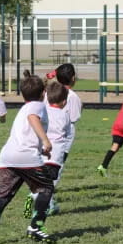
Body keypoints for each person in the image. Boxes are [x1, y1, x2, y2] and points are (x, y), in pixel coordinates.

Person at [0, 71, 55, 244]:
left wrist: (42, 148)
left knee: (3, 196)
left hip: (8, 157)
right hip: (25, 156)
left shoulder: (24, 107)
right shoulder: (37, 106)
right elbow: (33, 119)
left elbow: (26, 132)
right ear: (43, 94)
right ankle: (36, 227)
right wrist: (46, 140)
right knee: (46, 188)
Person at [24, 81, 70, 218]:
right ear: (64, 101)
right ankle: (41, 204)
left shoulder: (43, 111)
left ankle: (40, 199)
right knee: (50, 184)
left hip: (41, 153)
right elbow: (67, 133)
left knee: (42, 180)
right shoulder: (65, 115)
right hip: (55, 155)